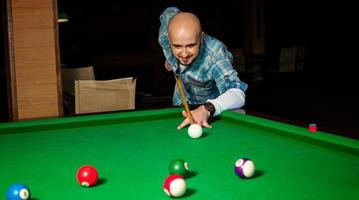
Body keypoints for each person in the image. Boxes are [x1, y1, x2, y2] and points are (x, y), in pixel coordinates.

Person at [158, 7, 248, 130]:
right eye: (177, 46)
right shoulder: (166, 31)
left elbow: (238, 94)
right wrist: (171, 59)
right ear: (169, 39)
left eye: (191, 45)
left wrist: (207, 108)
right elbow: (169, 11)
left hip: (209, 109)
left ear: (201, 37)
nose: (184, 54)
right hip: (181, 99)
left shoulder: (215, 57)